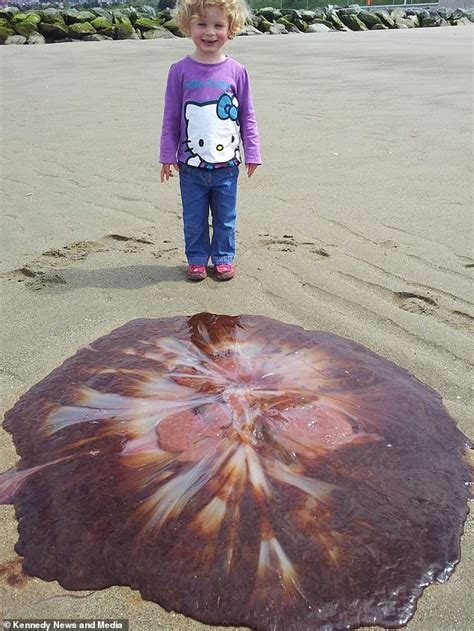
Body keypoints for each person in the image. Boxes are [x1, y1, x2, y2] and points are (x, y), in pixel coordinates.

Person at [159, 0, 261, 281]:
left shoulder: (237, 72)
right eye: (201, 24)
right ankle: (196, 260)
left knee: (226, 218)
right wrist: (167, 155)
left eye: (218, 25)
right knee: (194, 219)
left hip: (227, 165)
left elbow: (247, 116)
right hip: (190, 166)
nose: (210, 32)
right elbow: (171, 117)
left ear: (231, 29)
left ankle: (223, 258)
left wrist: (252, 152)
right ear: (187, 25)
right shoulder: (179, 71)